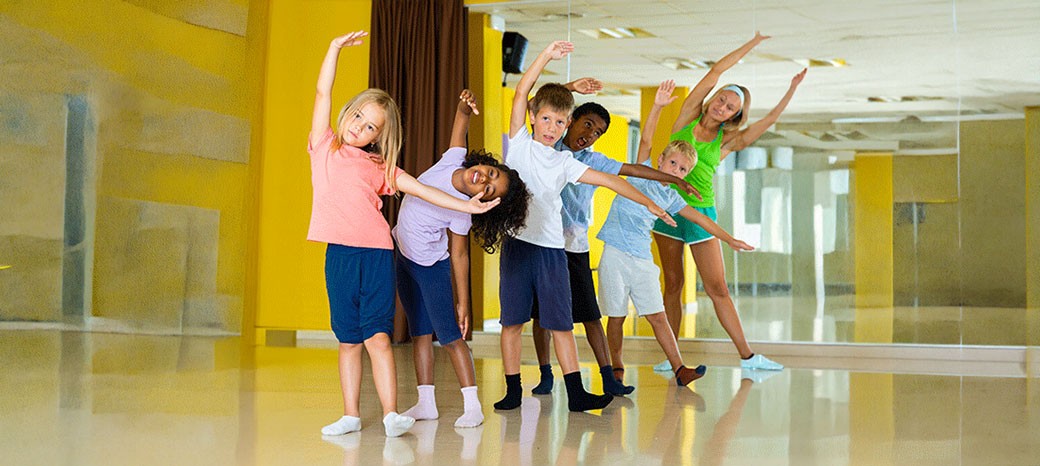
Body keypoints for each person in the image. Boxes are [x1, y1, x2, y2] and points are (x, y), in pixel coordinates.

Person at [310, 31, 499, 438]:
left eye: (370, 126)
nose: (360, 127)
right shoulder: (323, 146)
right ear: (348, 113)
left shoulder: (380, 167)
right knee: (348, 340)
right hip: (339, 255)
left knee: (378, 337)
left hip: (378, 254)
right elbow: (323, 92)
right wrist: (334, 48)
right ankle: (350, 415)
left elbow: (422, 189)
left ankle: (391, 413)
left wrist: (468, 207)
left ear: (378, 137)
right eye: (358, 117)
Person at [494, 40, 676, 413]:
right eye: (547, 119)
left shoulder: (566, 162)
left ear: (566, 126)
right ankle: (513, 390)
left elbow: (610, 180)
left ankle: (576, 393)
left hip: (551, 251)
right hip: (517, 245)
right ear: (533, 117)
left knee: (562, 324)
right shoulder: (519, 142)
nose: (553, 127)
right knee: (512, 322)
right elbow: (522, 91)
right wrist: (546, 56)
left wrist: (649, 202)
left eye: (560, 122)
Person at [528, 80, 702, 396]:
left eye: (598, 132)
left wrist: (672, 180)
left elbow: (632, 171)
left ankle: (609, 375)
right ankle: (545, 374)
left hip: (575, 244)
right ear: (570, 119)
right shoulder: (547, 144)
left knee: (591, 315)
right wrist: (570, 87)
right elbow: (536, 105)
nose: (590, 134)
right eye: (587, 125)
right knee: (543, 314)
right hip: (542, 241)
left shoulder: (595, 160)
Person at [651, 32, 806, 372]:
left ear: (734, 115)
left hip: (700, 212)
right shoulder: (687, 116)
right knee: (673, 284)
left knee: (717, 287)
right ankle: (671, 358)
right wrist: (753, 42)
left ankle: (749, 357)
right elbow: (716, 71)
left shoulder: (727, 141)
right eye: (721, 99)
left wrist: (791, 89)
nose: (722, 106)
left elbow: (768, 121)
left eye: (730, 107)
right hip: (666, 209)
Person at [597, 80, 754, 387]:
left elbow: (701, 219)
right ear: (660, 160)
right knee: (616, 316)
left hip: (641, 259)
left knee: (657, 316)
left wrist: (729, 239)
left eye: (683, 170)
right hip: (615, 253)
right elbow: (646, 137)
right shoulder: (641, 169)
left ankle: (680, 369)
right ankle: (616, 368)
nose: (676, 171)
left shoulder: (672, 198)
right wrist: (657, 106)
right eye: (673, 163)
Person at [394, 89, 530, 429]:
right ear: (484, 163)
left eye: (489, 190)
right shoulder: (453, 161)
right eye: (491, 173)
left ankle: (472, 406)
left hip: (431, 267)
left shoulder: (462, 212)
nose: (484, 180)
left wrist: (463, 302)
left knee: (450, 337)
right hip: (403, 258)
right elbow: (461, 123)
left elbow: (459, 254)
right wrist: (464, 105)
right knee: (419, 333)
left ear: (484, 202)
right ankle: (426, 403)